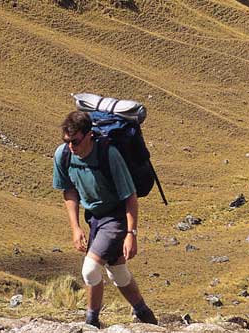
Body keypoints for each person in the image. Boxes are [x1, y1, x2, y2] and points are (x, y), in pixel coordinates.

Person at [52, 111, 156, 328]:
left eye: (76, 141)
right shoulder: (63, 155)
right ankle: (147, 317)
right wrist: (75, 227)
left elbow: (130, 196)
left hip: (116, 218)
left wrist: (131, 234)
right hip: (94, 218)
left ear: (89, 135)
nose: (71, 146)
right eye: (67, 141)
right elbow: (69, 191)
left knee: (89, 269)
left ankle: (91, 322)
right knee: (117, 272)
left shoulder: (110, 155)